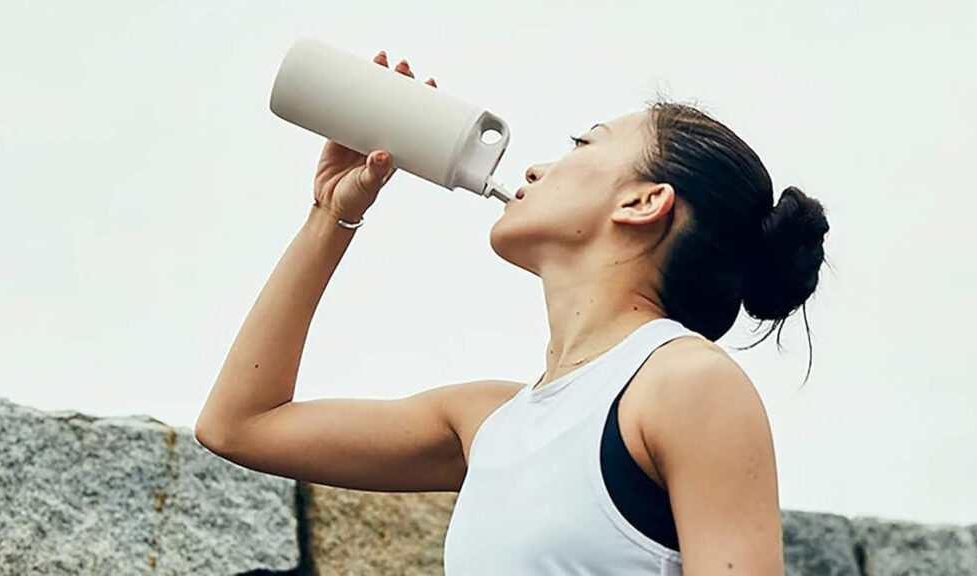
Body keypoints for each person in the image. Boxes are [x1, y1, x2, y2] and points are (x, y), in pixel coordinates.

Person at [196, 49, 829, 575]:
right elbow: (239, 425)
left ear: (643, 202)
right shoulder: (487, 421)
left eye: (582, 143)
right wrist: (333, 212)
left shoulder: (687, 383)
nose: (536, 166)